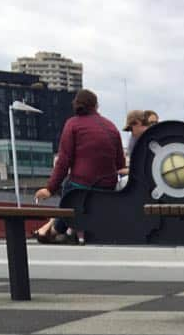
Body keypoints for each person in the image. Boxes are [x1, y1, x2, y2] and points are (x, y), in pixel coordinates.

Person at [34, 89, 125, 243]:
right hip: (108, 188)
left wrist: (50, 188)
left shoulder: (73, 124)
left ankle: (56, 230)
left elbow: (64, 161)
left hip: (81, 187)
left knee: (70, 190)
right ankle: (62, 230)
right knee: (76, 192)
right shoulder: (111, 126)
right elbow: (120, 164)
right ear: (96, 106)